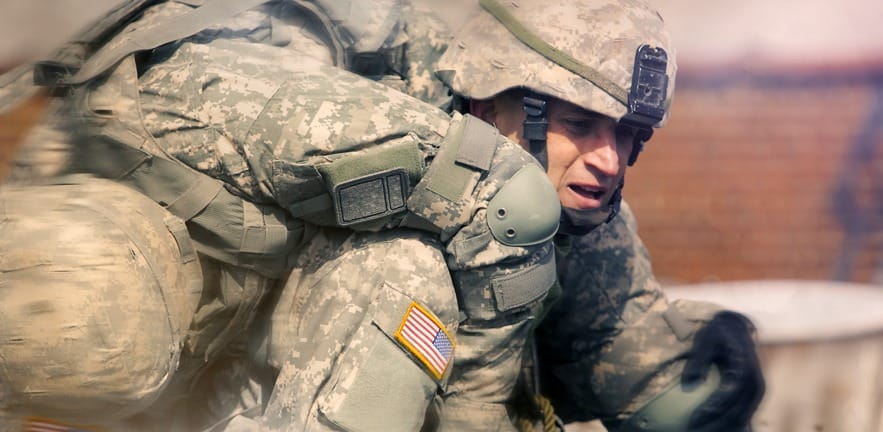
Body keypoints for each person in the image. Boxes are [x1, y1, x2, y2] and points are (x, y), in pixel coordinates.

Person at [0, 1, 559, 431]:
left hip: (225, 351)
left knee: (416, 254)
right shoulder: (220, 96)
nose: (609, 158)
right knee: (405, 266)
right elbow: (513, 199)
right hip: (171, 350)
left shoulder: (296, 108)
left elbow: (511, 202)